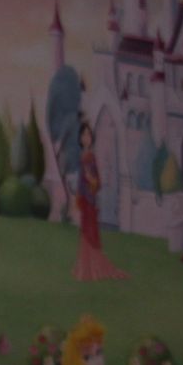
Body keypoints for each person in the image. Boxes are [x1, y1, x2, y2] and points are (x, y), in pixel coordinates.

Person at [71, 120, 127, 282]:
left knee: (90, 232)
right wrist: (78, 196)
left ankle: (92, 268)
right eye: (84, 135)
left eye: (89, 134)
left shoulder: (91, 157)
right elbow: (81, 181)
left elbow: (97, 182)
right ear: (80, 138)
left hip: (90, 201)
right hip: (84, 201)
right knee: (85, 231)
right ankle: (84, 267)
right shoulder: (83, 157)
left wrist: (91, 180)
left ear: (92, 137)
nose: (86, 137)